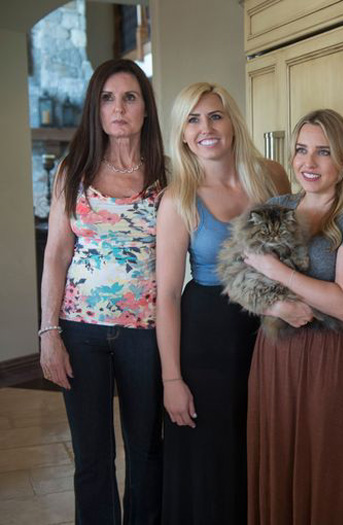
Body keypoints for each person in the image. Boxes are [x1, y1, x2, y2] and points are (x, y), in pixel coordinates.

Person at [38, 58, 167, 524]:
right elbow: (56, 253)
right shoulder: (72, 170)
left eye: (130, 97)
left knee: (147, 449)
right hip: (79, 330)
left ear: (145, 108)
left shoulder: (168, 175)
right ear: (96, 108)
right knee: (91, 455)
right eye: (108, 98)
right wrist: (49, 331)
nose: (119, 108)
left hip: (146, 331)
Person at [156, 82, 289, 523]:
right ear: (182, 134)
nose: (206, 128)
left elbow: (293, 249)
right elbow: (167, 296)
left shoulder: (271, 176)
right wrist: (172, 379)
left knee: (261, 445)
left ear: (232, 122)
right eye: (192, 120)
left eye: (215, 116)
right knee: (211, 456)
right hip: (206, 337)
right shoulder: (179, 198)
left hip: (269, 329)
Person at [245, 109, 343, 524]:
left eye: (323, 152)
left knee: (326, 471)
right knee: (278, 463)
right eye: (301, 150)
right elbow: (242, 281)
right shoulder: (276, 207)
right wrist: (278, 306)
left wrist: (277, 272)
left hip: (328, 359)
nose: (309, 162)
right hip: (273, 355)